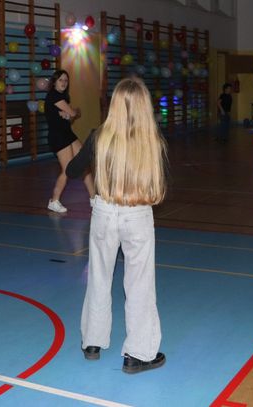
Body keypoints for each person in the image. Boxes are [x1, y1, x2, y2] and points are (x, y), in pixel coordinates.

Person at [66, 77, 168, 374]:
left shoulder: (99, 136)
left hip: (104, 212)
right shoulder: (152, 140)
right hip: (137, 214)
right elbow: (160, 183)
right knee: (139, 283)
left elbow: (72, 170)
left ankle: (92, 342)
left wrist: (89, 154)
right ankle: (138, 353)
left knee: (99, 276)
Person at [45, 69, 94, 213]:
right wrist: (75, 111)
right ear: (54, 82)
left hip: (67, 134)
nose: (64, 83)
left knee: (84, 163)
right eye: (60, 80)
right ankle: (54, 201)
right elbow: (73, 113)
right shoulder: (54, 96)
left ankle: (94, 198)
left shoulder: (63, 97)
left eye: (66, 80)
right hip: (58, 137)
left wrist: (69, 114)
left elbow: (70, 117)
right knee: (67, 170)